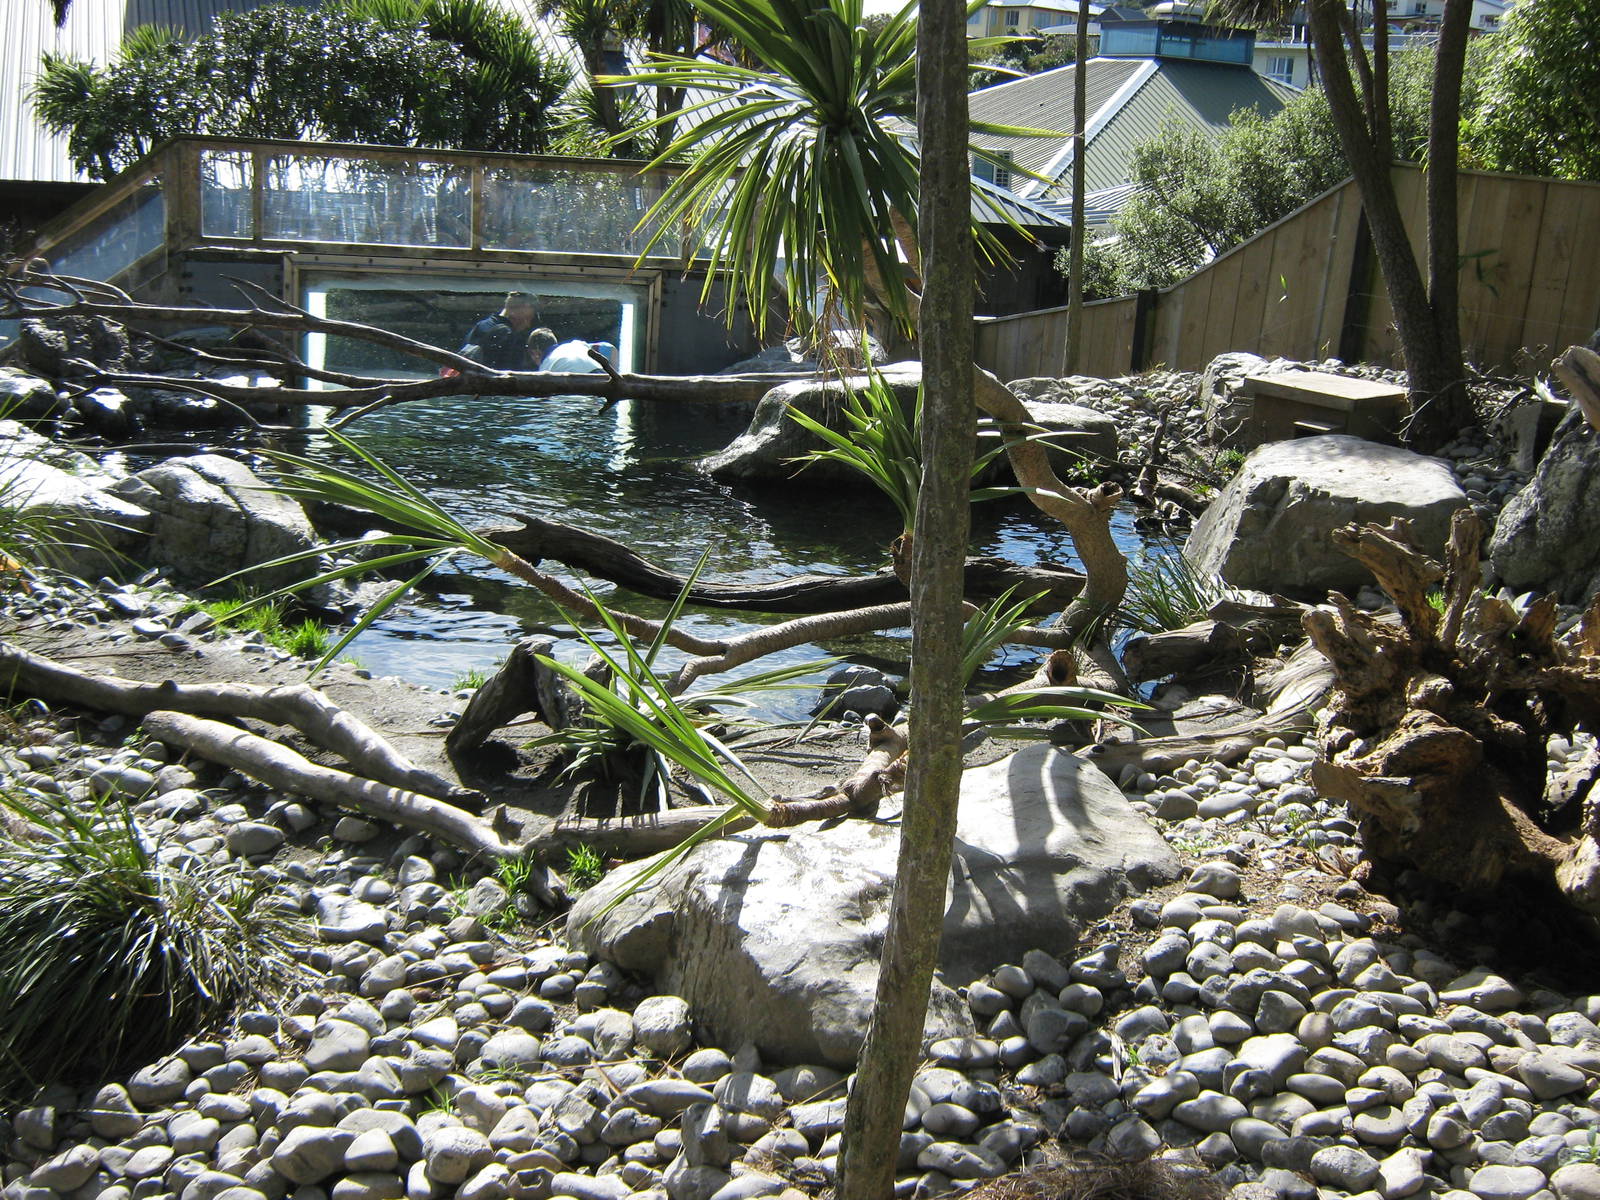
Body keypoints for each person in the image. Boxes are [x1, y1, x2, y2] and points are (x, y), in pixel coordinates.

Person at [457, 292, 538, 369]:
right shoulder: (506, 335)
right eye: (529, 318)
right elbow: (507, 374)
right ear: (524, 308)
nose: (528, 325)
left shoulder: (481, 325)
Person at [538, 338, 619, 373]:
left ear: (535, 354)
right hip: (600, 374)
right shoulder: (577, 344)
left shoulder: (545, 366)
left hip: (576, 388)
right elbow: (610, 349)